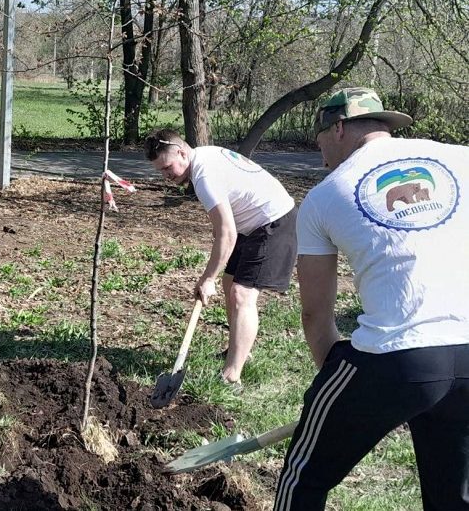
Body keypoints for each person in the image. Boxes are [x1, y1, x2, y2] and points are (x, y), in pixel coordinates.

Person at [274, 88, 469, 510]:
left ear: (338, 128)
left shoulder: (325, 195)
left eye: (320, 138)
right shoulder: (461, 158)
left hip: (396, 357)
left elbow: (315, 314)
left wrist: (353, 395)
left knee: (303, 477)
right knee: (455, 495)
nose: (320, 151)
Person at [144, 129, 298, 385]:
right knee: (230, 283)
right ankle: (240, 350)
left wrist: (207, 279)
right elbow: (225, 223)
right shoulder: (203, 155)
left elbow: (227, 234)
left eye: (168, 167)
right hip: (252, 223)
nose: (166, 176)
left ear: (181, 152)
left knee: (242, 294)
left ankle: (231, 376)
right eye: (161, 171)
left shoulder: (205, 176)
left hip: (274, 222)